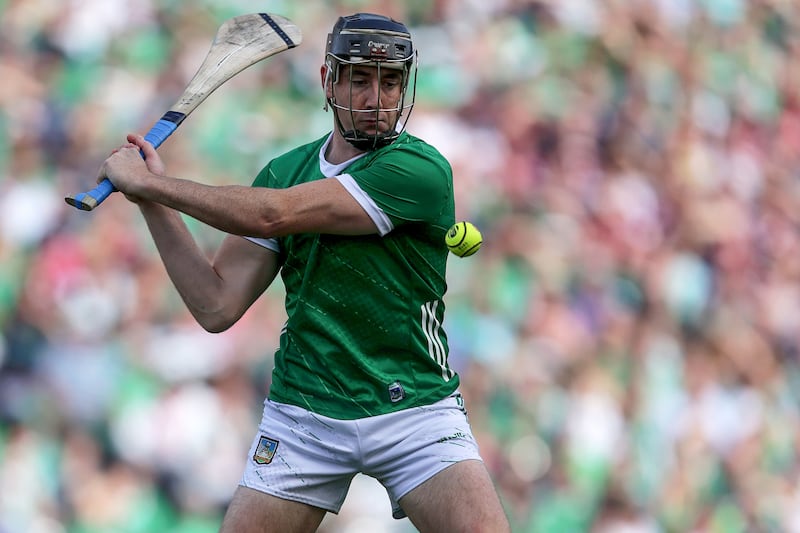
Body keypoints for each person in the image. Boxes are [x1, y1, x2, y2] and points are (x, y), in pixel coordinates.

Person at [97, 12, 510, 533]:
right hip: (304, 414)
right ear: (327, 80)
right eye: (359, 78)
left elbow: (274, 214)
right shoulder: (283, 173)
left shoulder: (420, 171)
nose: (376, 97)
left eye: (390, 81)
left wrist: (156, 186)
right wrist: (149, 199)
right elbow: (216, 305)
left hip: (415, 410)